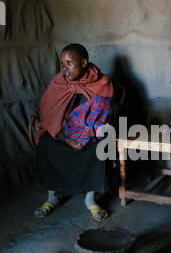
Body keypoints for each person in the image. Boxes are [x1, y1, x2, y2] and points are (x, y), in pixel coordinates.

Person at [34, 43, 114, 221]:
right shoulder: (60, 82)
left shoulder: (101, 83)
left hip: (89, 132)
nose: (65, 68)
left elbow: (104, 113)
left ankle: (90, 199)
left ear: (84, 62)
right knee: (46, 142)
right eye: (62, 64)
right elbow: (50, 112)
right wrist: (66, 138)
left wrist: (89, 132)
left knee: (100, 146)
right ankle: (52, 197)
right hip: (63, 131)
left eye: (69, 63)